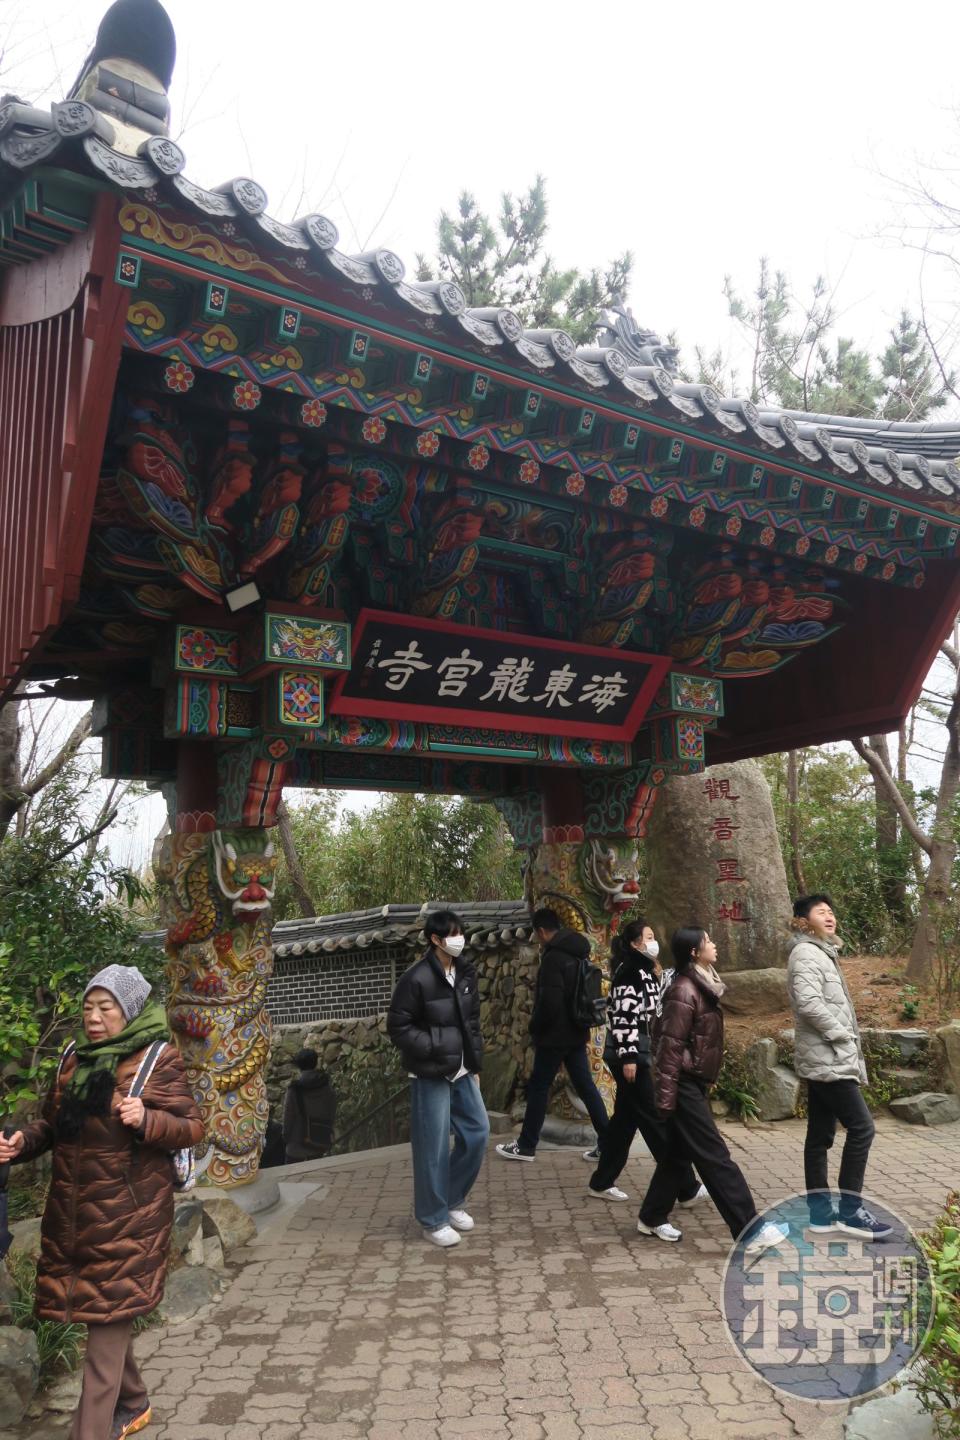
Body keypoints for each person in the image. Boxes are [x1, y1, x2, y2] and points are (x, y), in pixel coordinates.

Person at [0, 964, 203, 1440]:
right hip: (72, 1215)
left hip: (130, 1219)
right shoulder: (75, 1058)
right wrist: (20, 1143)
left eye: (105, 1007)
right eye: (89, 1006)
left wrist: (149, 1119)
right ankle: (133, 1402)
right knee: (102, 1315)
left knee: (106, 1324)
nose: (94, 1017)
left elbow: (192, 1127)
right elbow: (53, 1126)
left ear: (127, 1011)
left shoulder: (157, 1058)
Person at [637, 928, 787, 1254]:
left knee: (678, 1156)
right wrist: (665, 1099)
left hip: (692, 1083)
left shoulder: (702, 982)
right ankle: (749, 1229)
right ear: (694, 951)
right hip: (683, 1086)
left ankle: (651, 1216)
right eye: (708, 941)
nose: (714, 944)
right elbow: (668, 1050)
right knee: (715, 1157)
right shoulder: (683, 989)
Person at [787, 893, 890, 1238]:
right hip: (828, 1056)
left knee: (819, 1136)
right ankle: (850, 1211)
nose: (830, 916)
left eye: (832, 911)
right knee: (862, 1129)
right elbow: (809, 1003)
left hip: (826, 1056)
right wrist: (842, 1035)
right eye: (821, 912)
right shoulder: (805, 953)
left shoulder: (823, 953)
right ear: (804, 920)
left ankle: (820, 1215)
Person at [587, 917, 707, 1210]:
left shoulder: (645, 971)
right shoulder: (629, 973)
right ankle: (686, 1186)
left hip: (640, 1054)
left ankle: (601, 1181)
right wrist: (629, 1057)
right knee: (655, 1119)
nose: (654, 941)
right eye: (648, 936)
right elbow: (625, 1019)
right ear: (634, 943)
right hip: (633, 1056)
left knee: (624, 1122)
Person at [386, 910, 489, 1247]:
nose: (459, 939)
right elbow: (398, 1027)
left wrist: (474, 1065)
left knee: (477, 1132)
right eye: (452, 934)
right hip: (430, 1071)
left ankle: (452, 1197)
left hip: (461, 1070)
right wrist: (434, 1046)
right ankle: (432, 1219)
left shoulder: (465, 972)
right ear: (435, 939)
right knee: (432, 1146)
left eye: (461, 932)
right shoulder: (416, 978)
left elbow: (472, 1023)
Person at [496, 907, 610, 1164]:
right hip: (577, 1032)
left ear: (542, 931)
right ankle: (607, 1142)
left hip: (554, 1036)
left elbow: (550, 1003)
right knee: (586, 1087)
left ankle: (526, 1146)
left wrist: (535, 1028)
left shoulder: (553, 959)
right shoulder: (579, 953)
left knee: (538, 1087)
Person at [282, 1048, 336, 1164]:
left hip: (297, 1144)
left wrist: (286, 1137)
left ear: (299, 1066)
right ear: (315, 1063)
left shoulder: (294, 1090)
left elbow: (288, 1117)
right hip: (319, 1142)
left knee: (292, 1179)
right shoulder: (326, 1086)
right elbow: (331, 1112)